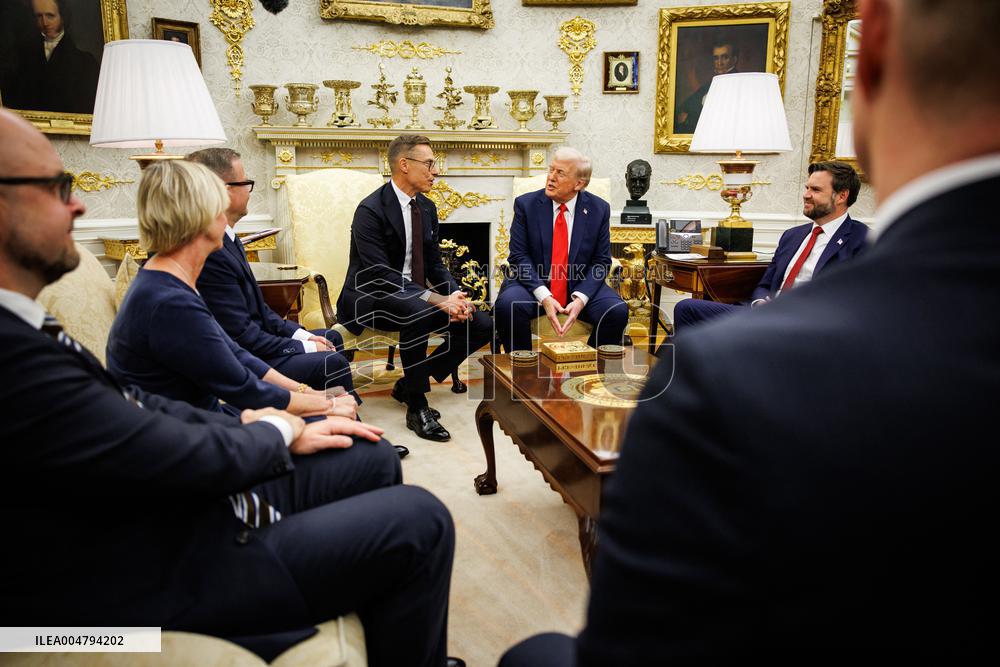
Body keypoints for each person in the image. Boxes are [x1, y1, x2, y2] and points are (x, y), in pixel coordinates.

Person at [500, 0, 1000, 661]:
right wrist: (547, 295)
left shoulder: (731, 377)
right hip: (542, 286)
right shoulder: (532, 206)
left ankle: (612, 388)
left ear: (870, 50)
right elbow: (525, 258)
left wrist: (579, 298)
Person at [0, 108, 464, 667]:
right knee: (423, 517)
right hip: (167, 560)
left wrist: (256, 420)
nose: (77, 205)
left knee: (366, 453)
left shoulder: (30, 327)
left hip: (173, 511)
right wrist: (275, 427)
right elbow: (168, 431)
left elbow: (138, 410)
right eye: (56, 187)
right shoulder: (22, 350)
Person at [106, 160, 349, 420]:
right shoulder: (169, 302)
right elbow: (242, 385)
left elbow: (236, 357)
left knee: (344, 428)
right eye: (218, 207)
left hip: (204, 419)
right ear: (197, 218)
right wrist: (325, 405)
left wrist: (309, 395)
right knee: (365, 451)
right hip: (191, 438)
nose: (226, 218)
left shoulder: (169, 281)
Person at [337, 134, 493, 442]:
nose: (436, 172)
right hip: (371, 297)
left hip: (417, 298)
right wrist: (435, 299)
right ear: (404, 165)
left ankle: (409, 384)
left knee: (482, 324)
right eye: (430, 164)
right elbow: (379, 274)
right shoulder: (370, 210)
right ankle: (417, 404)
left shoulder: (427, 207)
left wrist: (453, 296)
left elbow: (435, 264)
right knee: (418, 312)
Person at [187, 148, 356, 398]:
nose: (248, 190)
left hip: (257, 345)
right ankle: (340, 420)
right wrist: (302, 346)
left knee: (330, 337)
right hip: (245, 361)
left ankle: (335, 415)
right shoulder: (213, 252)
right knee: (331, 361)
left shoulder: (229, 239)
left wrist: (301, 335)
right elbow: (241, 336)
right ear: (223, 190)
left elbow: (262, 310)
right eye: (245, 182)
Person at [672, 161, 867, 333]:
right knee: (687, 309)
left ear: (841, 196)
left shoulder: (861, 240)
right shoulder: (793, 235)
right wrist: (759, 303)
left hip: (807, 325)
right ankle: (676, 374)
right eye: (806, 188)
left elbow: (853, 302)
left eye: (815, 190)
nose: (806, 195)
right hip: (763, 315)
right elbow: (765, 284)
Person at [494, 147, 628, 352]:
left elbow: (601, 261)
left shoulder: (599, 209)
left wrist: (581, 299)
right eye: (551, 170)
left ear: (579, 183)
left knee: (616, 311)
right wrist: (544, 296)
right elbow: (519, 256)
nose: (551, 177)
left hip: (580, 283)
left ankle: (590, 372)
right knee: (508, 305)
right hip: (533, 284)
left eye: (560, 173)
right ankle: (523, 374)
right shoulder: (526, 204)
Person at [5, 0, 99, 114]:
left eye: (50, 16)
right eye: (39, 16)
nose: (44, 23)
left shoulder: (85, 63)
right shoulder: (22, 56)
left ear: (63, 16)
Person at [674, 40, 738, 134]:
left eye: (724, 57)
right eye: (716, 58)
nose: (719, 63)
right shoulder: (712, 83)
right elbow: (683, 110)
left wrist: (689, 117)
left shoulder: (737, 83)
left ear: (734, 60)